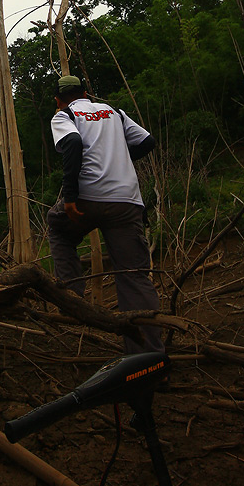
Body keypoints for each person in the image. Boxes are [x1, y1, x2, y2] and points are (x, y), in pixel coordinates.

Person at [48, 75, 164, 354]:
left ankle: (72, 299)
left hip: (88, 200)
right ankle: (149, 358)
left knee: (58, 229)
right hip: (127, 202)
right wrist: (120, 159)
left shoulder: (64, 115)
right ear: (86, 93)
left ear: (57, 100)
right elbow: (147, 141)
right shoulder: (115, 112)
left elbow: (73, 144)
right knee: (134, 278)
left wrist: (70, 196)